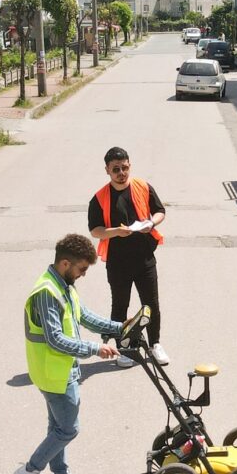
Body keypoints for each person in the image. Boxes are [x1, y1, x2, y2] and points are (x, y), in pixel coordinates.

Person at [15, 234, 124, 474]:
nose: (83, 275)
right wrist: (94, 349)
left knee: (57, 428)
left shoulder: (62, 285)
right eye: (82, 269)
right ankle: (30, 471)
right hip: (54, 372)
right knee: (68, 429)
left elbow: (83, 315)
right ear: (65, 263)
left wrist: (120, 327)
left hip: (62, 369)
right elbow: (55, 339)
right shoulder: (47, 293)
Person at [88, 146, 169, 368]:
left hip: (145, 259)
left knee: (151, 303)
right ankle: (123, 349)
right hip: (118, 263)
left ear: (129, 166)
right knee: (120, 306)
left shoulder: (142, 186)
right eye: (116, 169)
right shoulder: (99, 198)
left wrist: (151, 223)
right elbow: (95, 230)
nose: (121, 173)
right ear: (107, 170)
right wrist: (115, 231)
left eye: (124, 168)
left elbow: (160, 211)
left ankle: (156, 344)